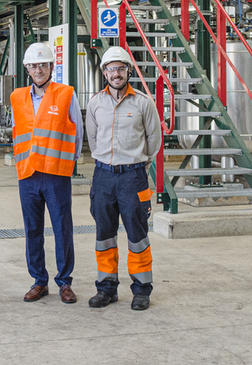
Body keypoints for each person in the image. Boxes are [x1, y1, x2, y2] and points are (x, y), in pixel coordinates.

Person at [85, 46, 161, 311]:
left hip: (133, 177)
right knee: (104, 235)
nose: (115, 74)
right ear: (104, 72)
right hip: (103, 176)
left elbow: (154, 141)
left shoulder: (143, 102)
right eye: (110, 69)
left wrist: (135, 161)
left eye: (120, 68)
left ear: (128, 70)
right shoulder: (95, 103)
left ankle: (141, 290)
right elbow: (93, 138)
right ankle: (106, 288)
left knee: (137, 234)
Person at [10, 42, 82, 304]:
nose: (38, 69)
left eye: (43, 64)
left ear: (52, 67)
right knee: (33, 229)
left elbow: (78, 131)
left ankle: (64, 282)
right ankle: (39, 281)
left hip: (56, 173)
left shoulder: (66, 94)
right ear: (27, 68)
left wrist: (69, 163)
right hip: (28, 173)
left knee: (62, 228)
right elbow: (18, 130)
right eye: (33, 65)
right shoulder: (17, 96)